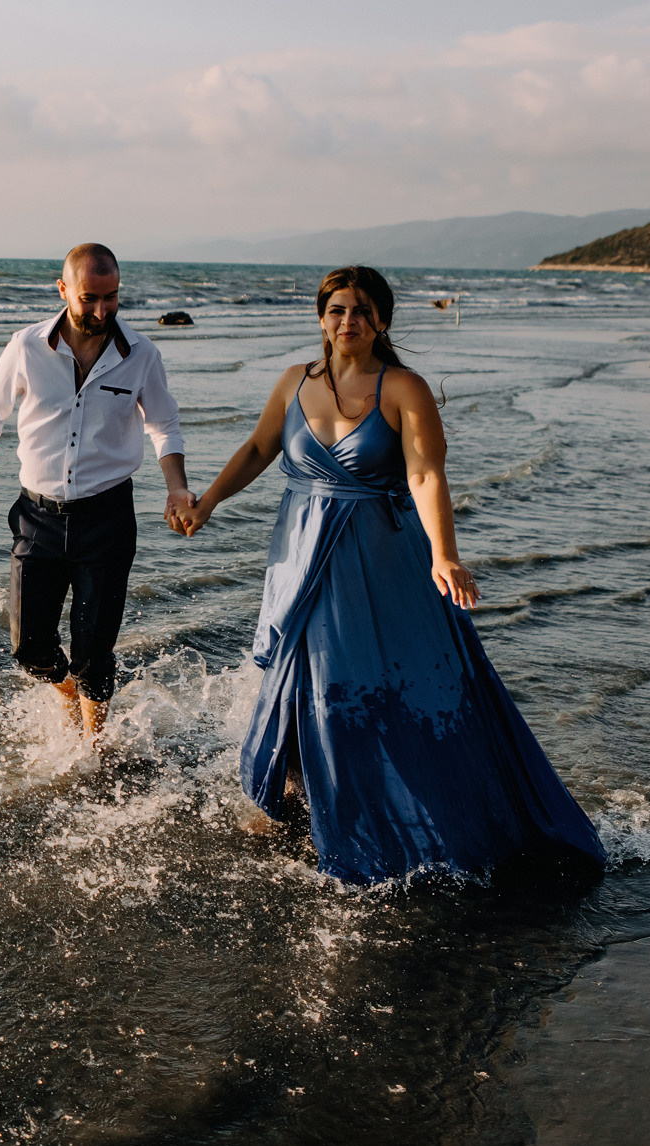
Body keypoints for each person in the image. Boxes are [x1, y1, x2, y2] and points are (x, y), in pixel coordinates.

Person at [179, 265, 604, 883]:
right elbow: (256, 450)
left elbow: (426, 475)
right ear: (321, 318)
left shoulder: (404, 388)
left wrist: (445, 554)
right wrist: (210, 500)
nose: (346, 321)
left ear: (382, 320)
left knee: (371, 686)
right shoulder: (294, 381)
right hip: (297, 554)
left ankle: (408, 817)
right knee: (301, 678)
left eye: (360, 310)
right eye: (336, 310)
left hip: (377, 558)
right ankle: (299, 803)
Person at [0, 244, 193, 736]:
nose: (102, 310)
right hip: (37, 517)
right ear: (63, 290)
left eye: (111, 298)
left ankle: (93, 746)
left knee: (94, 647)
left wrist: (177, 489)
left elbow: (165, 425)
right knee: (30, 648)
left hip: (107, 518)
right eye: (89, 298)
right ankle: (67, 691)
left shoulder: (141, 355)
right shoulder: (26, 347)